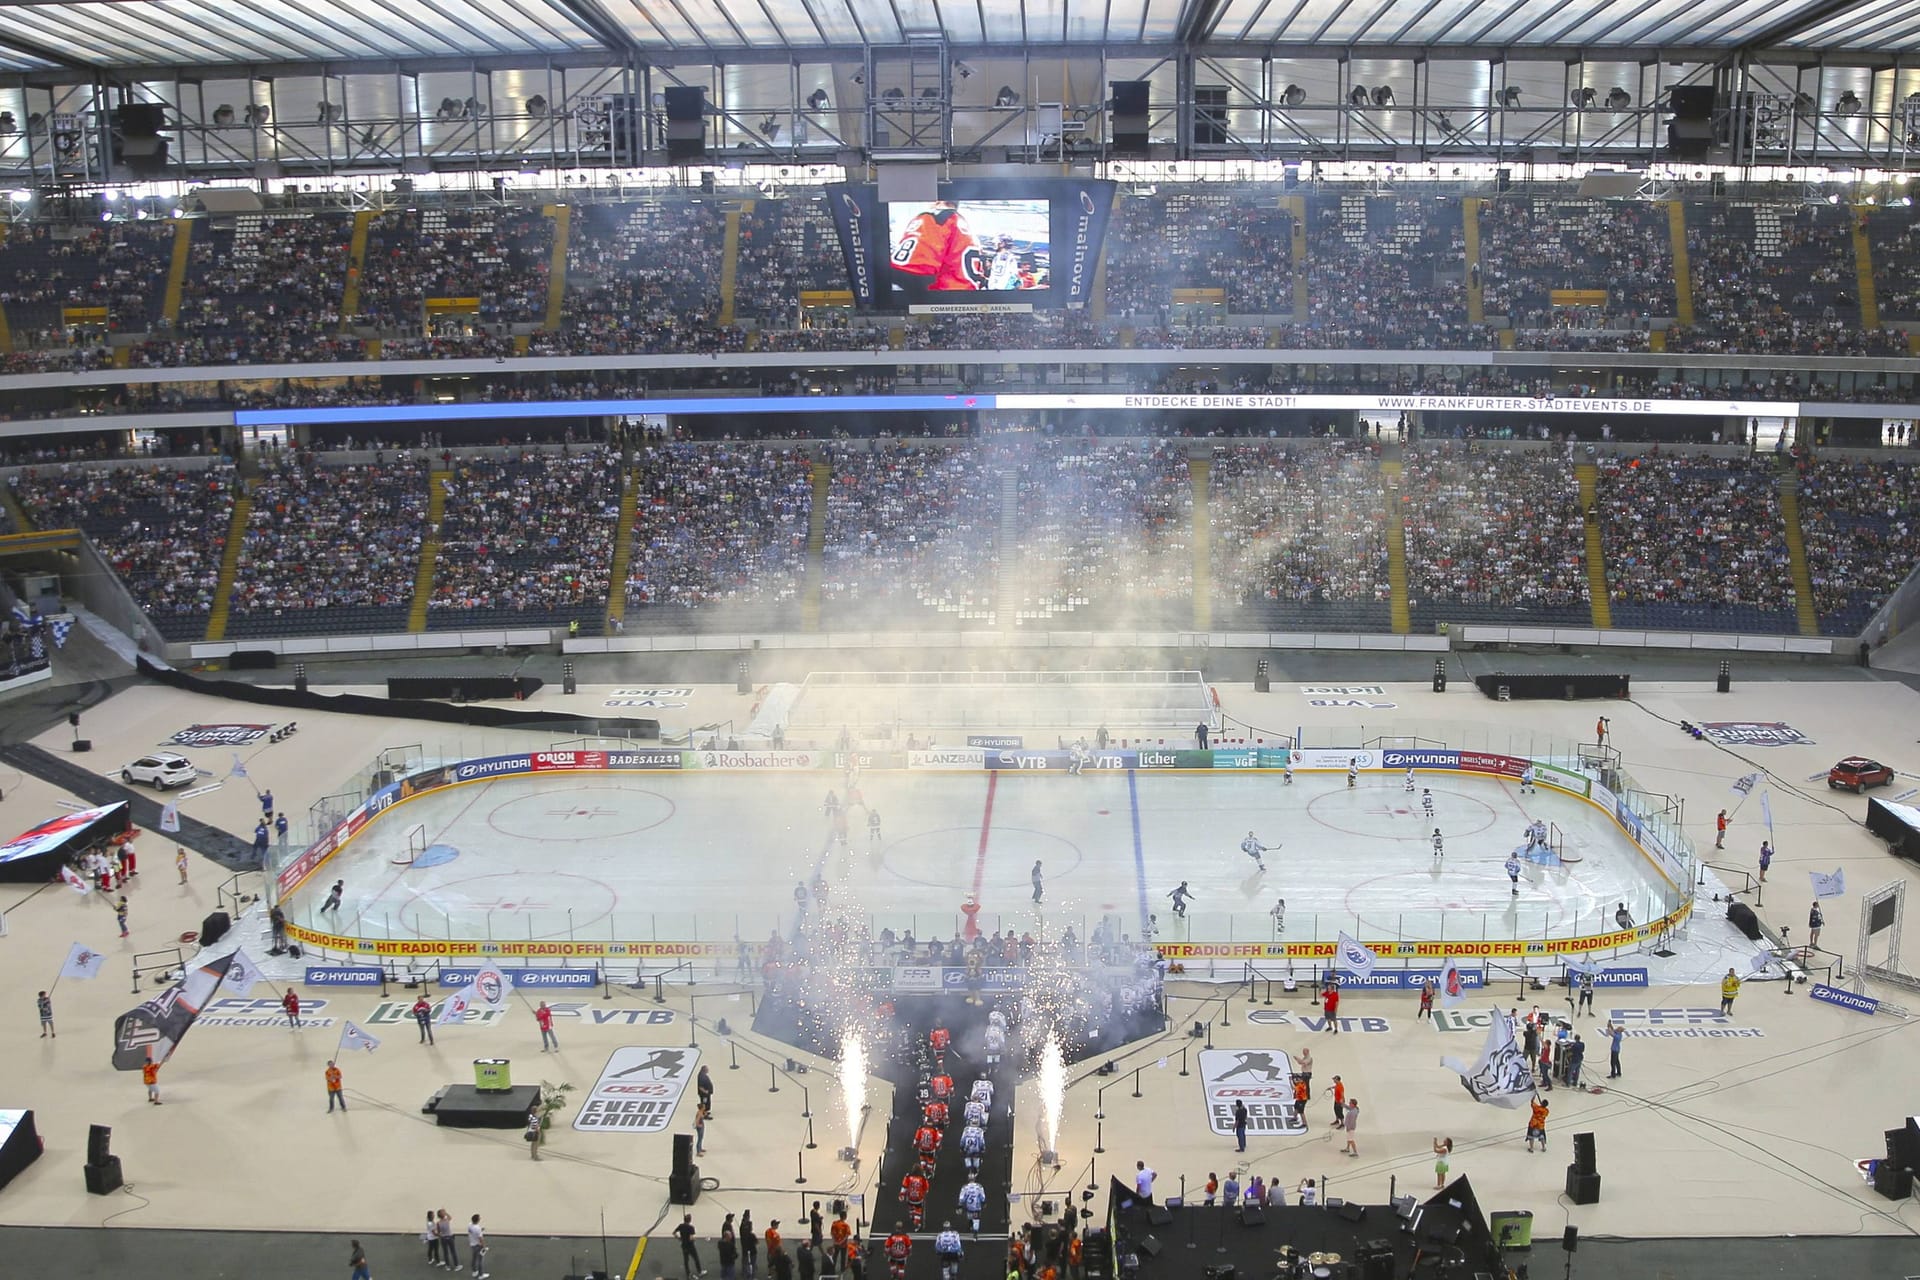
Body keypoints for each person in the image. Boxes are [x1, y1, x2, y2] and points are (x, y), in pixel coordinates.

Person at [676, 1213, 706, 1278]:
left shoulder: (681, 1226)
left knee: (686, 1260)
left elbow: (674, 1233)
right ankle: (700, 1271)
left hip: (684, 1245)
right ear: (690, 1220)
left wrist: (679, 1238)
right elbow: (691, 1238)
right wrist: (694, 1239)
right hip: (690, 1246)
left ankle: (688, 1273)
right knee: (696, 1258)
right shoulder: (691, 1228)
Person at [468, 1214, 488, 1278]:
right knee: (480, 1260)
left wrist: (480, 1230)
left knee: (474, 1259)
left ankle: (474, 1271)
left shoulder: (470, 1225)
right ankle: (481, 1275)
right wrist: (484, 1247)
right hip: (478, 1246)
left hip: (472, 1244)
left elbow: (474, 1232)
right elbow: (480, 1239)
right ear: (478, 1220)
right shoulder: (477, 1228)